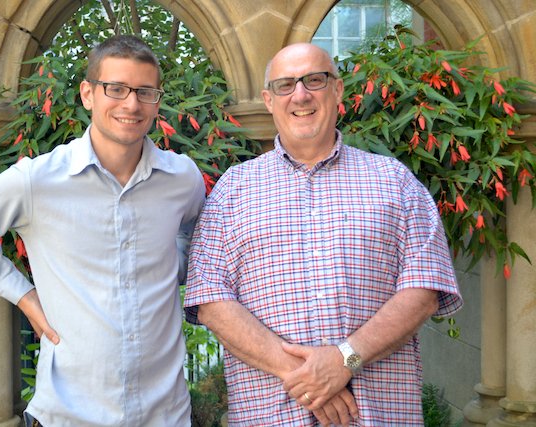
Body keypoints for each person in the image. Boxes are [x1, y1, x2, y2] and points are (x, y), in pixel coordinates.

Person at [184, 43, 463, 426]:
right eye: (285, 85)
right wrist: (305, 375)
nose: (300, 95)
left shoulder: (395, 182)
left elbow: (425, 288)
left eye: (314, 80)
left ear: (337, 90)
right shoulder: (233, 191)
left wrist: (346, 359)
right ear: (268, 99)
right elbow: (210, 298)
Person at [0, 35, 205, 427]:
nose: (132, 104)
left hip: (166, 414)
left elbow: (193, 234)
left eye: (145, 92)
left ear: (156, 100)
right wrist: (25, 297)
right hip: (69, 414)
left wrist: (171, 264)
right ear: (88, 94)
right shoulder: (38, 180)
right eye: (116, 88)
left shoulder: (182, 178)